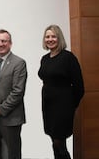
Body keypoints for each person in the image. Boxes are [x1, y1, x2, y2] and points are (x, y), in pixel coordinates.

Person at [38, 25, 84, 159]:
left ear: (59, 38)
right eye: (47, 36)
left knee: (59, 144)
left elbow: (79, 87)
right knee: (54, 143)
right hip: (48, 107)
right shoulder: (45, 59)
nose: (50, 39)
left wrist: (70, 105)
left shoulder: (68, 58)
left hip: (62, 108)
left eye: (53, 36)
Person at [0, 29, 27, 159]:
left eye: (4, 41)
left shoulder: (19, 63)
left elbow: (18, 92)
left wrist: (0, 110)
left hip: (10, 118)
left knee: (13, 154)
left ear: (10, 43)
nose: (0, 44)